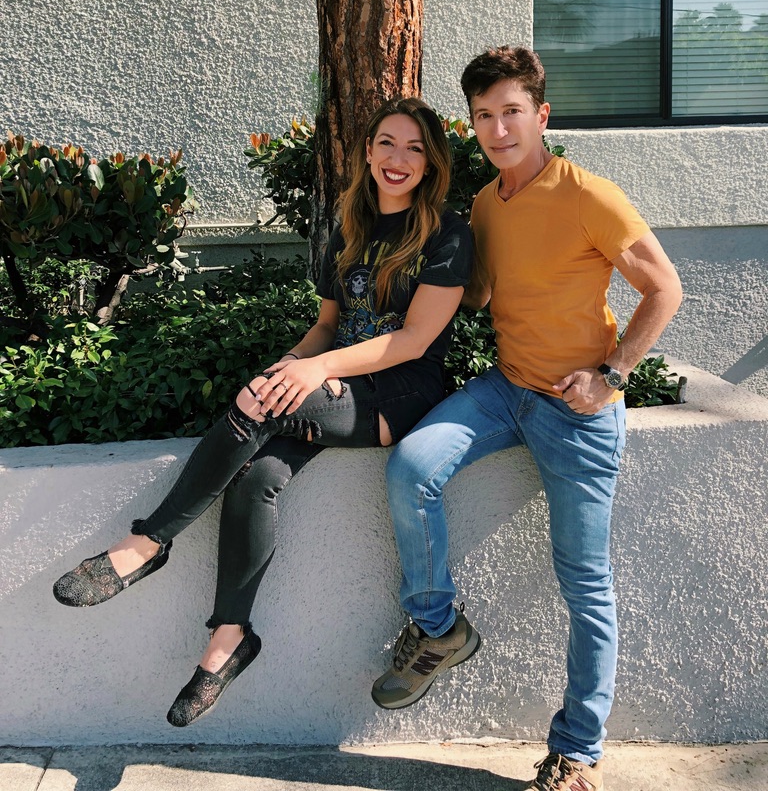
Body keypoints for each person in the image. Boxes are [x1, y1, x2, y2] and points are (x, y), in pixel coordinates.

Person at [53, 97, 473, 728]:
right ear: (367, 151)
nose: (398, 158)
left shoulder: (447, 233)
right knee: (256, 476)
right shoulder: (349, 225)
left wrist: (315, 372)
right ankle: (229, 639)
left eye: (415, 148)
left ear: (432, 162)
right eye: (387, 143)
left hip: (399, 394)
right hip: (336, 383)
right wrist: (294, 363)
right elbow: (328, 325)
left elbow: (413, 341)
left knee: (259, 404)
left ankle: (149, 541)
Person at [371, 48, 683, 791]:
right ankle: (439, 628)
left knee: (585, 584)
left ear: (541, 115)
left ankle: (576, 751)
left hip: (578, 412)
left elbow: (664, 288)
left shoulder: (589, 196)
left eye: (512, 111)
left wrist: (613, 375)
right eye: (484, 115)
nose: (499, 128)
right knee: (412, 466)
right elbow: (479, 294)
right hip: (506, 390)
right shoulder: (485, 203)